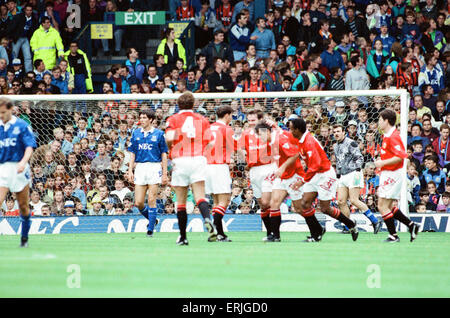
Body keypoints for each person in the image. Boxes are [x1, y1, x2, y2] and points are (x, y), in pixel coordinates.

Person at [286, 118, 359, 242]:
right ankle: (316, 233)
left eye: (291, 128)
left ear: (297, 130)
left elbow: (316, 164)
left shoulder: (308, 142)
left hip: (325, 175)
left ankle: (351, 224)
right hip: (314, 174)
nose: (289, 131)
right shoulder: (300, 138)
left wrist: (302, 180)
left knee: (325, 208)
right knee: (305, 204)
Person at [164, 92, 217, 245]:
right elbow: (211, 143)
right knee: (200, 195)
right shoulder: (202, 119)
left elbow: (169, 138)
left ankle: (183, 237)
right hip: (198, 159)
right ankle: (207, 219)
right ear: (193, 104)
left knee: (181, 200)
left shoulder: (173, 119)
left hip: (181, 159)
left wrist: (171, 149)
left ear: (178, 104)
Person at [375, 109, 419, 242]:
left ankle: (393, 235)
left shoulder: (393, 136)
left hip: (392, 174)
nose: (379, 122)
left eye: (380, 120)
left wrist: (382, 162)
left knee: (382, 206)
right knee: (387, 206)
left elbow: (400, 157)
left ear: (386, 121)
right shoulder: (387, 135)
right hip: (389, 173)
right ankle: (411, 226)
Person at [256, 121, 305, 242]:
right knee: (274, 203)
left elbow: (295, 154)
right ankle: (275, 236)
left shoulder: (279, 139)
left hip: (294, 175)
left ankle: (315, 226)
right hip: (282, 177)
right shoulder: (274, 138)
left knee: (299, 208)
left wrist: (282, 167)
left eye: (260, 135)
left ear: (267, 132)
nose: (259, 138)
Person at [0, 97, 37, 247]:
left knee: (23, 206)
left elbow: (29, 146)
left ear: (11, 109)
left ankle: (24, 238)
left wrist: (23, 162)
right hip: (2, 168)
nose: (1, 116)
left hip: (19, 168)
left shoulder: (21, 125)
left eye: (3, 112)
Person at [332, 124, 382, 233]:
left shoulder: (351, 143)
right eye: (334, 132)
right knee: (341, 201)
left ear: (343, 132)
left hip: (354, 173)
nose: (336, 133)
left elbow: (359, 157)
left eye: (338, 131)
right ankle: (349, 226)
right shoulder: (335, 146)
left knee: (354, 200)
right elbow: (339, 162)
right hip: (343, 175)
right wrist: (338, 174)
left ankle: (375, 220)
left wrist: (358, 170)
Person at [127, 109, 168, 237]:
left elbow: (164, 154)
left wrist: (165, 173)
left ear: (151, 119)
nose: (142, 120)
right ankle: (153, 220)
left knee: (151, 199)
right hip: (140, 168)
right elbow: (132, 153)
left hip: (154, 167)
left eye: (145, 117)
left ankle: (150, 230)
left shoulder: (159, 134)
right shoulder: (136, 133)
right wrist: (130, 171)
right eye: (141, 117)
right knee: (138, 202)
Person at [204, 105, 236, 242]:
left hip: (207, 167)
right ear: (227, 115)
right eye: (231, 115)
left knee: (216, 202)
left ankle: (219, 234)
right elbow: (232, 147)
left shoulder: (209, 128)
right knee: (225, 201)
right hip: (219, 166)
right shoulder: (227, 129)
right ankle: (218, 232)